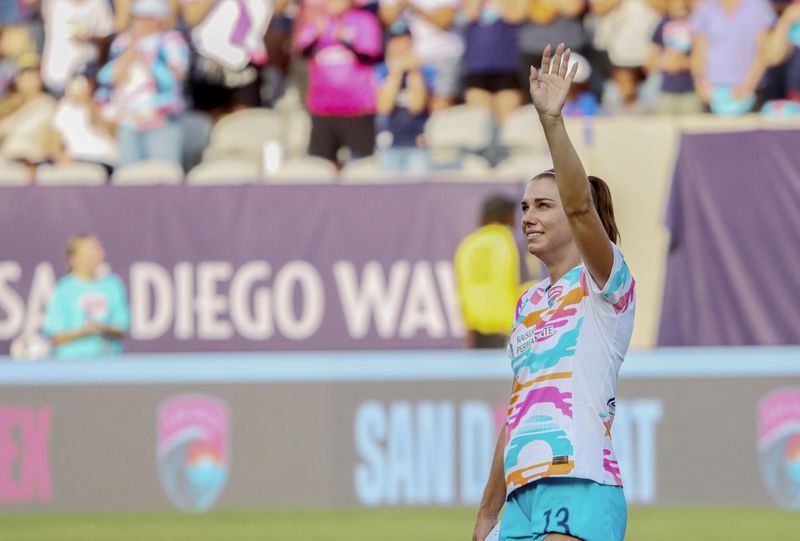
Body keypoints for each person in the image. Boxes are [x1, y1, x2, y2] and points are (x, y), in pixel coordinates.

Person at [473, 44, 635, 541]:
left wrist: (551, 122)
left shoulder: (605, 280)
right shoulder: (528, 302)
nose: (528, 217)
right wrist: (486, 512)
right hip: (522, 495)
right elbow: (519, 403)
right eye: (524, 207)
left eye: (544, 205)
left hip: (579, 480)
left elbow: (583, 208)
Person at [95, 0, 190, 168]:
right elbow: (105, 77)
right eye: (136, 18)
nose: (138, 23)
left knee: (163, 178)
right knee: (128, 182)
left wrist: (146, 58)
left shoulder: (171, 41)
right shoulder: (122, 42)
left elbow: (170, 81)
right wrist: (126, 58)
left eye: (145, 18)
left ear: (157, 20)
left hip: (161, 122)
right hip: (127, 123)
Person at [296, 0, 382, 164]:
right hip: (323, 109)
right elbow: (301, 51)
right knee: (321, 165)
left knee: (362, 165)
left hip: (357, 109)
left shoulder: (364, 20)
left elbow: (370, 54)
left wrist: (345, 40)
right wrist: (318, 35)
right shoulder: (318, 22)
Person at [43, 234, 131, 358]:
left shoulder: (113, 285)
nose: (100, 253)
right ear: (74, 258)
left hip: (108, 364)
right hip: (70, 364)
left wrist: (103, 329)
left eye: (98, 248)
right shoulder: (63, 289)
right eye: (91, 249)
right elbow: (54, 336)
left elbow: (122, 328)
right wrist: (82, 332)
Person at [454, 194, 523, 349]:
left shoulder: (467, 246)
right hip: (508, 331)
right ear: (507, 216)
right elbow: (527, 284)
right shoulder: (511, 242)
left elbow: (463, 292)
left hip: (476, 334)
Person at [690, 0, 776, 115]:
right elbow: (699, 51)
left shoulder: (758, 6)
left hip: (749, 94)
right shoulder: (706, 7)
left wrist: (747, 87)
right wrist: (700, 84)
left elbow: (763, 52)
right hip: (712, 94)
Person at [378, 0, 464, 110]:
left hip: (443, 55)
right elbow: (385, 20)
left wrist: (413, 6)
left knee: (439, 107)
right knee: (416, 107)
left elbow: (444, 21)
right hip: (412, 57)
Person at [375, 22, 434, 174]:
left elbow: (417, 105)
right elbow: (384, 106)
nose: (400, 46)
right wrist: (396, 72)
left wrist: (414, 72)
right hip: (389, 145)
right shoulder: (381, 71)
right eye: (395, 41)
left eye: (404, 41)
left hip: (417, 144)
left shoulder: (425, 71)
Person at [462, 0, 525, 125]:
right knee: (481, 125)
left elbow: (517, 15)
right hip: (477, 65)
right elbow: (471, 13)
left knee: (507, 125)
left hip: (508, 65)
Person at [40, 0, 115, 94]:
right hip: (55, 78)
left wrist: (90, 37)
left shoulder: (99, 3)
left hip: (86, 76)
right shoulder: (53, 3)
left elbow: (107, 36)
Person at [0, 53, 57, 171]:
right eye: (25, 73)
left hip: (31, 162)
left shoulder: (48, 105)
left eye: (34, 72)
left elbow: (53, 139)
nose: (30, 78)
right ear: (17, 78)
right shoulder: (8, 104)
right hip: (7, 160)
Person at [50, 75, 119, 171]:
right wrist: (60, 157)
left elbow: (111, 132)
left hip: (103, 159)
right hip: (76, 159)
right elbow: (54, 140)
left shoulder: (105, 101)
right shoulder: (64, 107)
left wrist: (89, 104)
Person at [645, 0, 702, 115]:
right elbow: (648, 64)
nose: (680, 4)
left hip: (691, 92)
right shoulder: (662, 25)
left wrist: (683, 63)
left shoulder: (697, 24)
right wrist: (664, 63)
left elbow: (703, 60)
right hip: (666, 92)